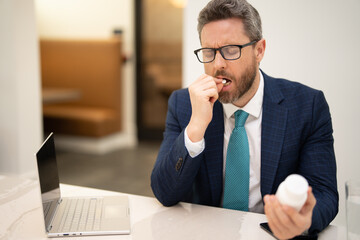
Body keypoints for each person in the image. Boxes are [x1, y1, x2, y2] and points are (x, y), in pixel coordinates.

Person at [150, 0, 338, 239]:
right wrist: (196, 127)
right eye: (209, 52)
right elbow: (164, 192)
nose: (218, 64)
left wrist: (302, 221)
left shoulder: (307, 106)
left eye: (230, 50)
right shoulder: (184, 104)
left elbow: (325, 193)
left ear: (259, 50)